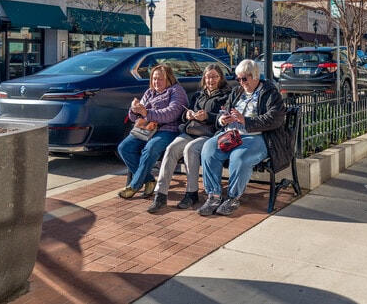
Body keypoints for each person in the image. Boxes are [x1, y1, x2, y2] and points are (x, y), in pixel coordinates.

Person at [197, 59, 289, 216]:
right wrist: (222, 119)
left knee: (239, 156)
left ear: (255, 76)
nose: (241, 82)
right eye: (238, 79)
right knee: (209, 149)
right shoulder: (237, 91)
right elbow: (225, 109)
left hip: (259, 136)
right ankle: (214, 195)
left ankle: (233, 197)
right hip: (232, 133)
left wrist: (246, 120)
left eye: (244, 78)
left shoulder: (269, 92)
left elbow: (275, 118)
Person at [147, 64, 231, 214]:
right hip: (191, 131)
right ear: (204, 78)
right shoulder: (199, 95)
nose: (211, 80)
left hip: (210, 134)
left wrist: (208, 116)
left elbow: (225, 118)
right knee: (172, 149)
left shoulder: (226, 95)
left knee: (190, 149)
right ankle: (160, 194)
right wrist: (187, 115)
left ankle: (191, 193)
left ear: (220, 78)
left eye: (214, 77)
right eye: (208, 77)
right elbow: (184, 113)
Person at [117, 64, 188, 199]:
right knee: (124, 148)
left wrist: (146, 112)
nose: (156, 82)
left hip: (168, 130)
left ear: (168, 79)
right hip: (146, 129)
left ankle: (134, 185)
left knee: (150, 149)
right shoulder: (150, 92)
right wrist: (134, 109)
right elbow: (135, 117)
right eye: (154, 79)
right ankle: (148, 180)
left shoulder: (176, 91)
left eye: (160, 79)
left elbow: (171, 114)